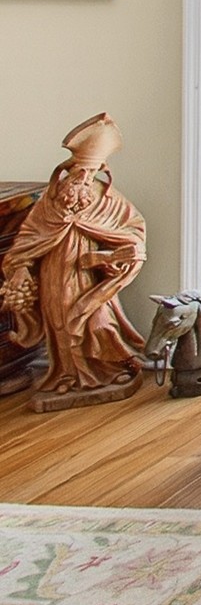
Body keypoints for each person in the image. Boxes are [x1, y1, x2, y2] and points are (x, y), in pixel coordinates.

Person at [0, 112, 146, 405]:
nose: (80, 181)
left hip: (88, 280)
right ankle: (67, 376)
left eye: (87, 175)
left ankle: (108, 368)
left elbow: (133, 232)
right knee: (60, 326)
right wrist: (21, 268)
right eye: (76, 173)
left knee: (97, 323)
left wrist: (114, 256)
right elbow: (27, 239)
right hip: (55, 273)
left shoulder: (107, 200)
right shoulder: (50, 205)